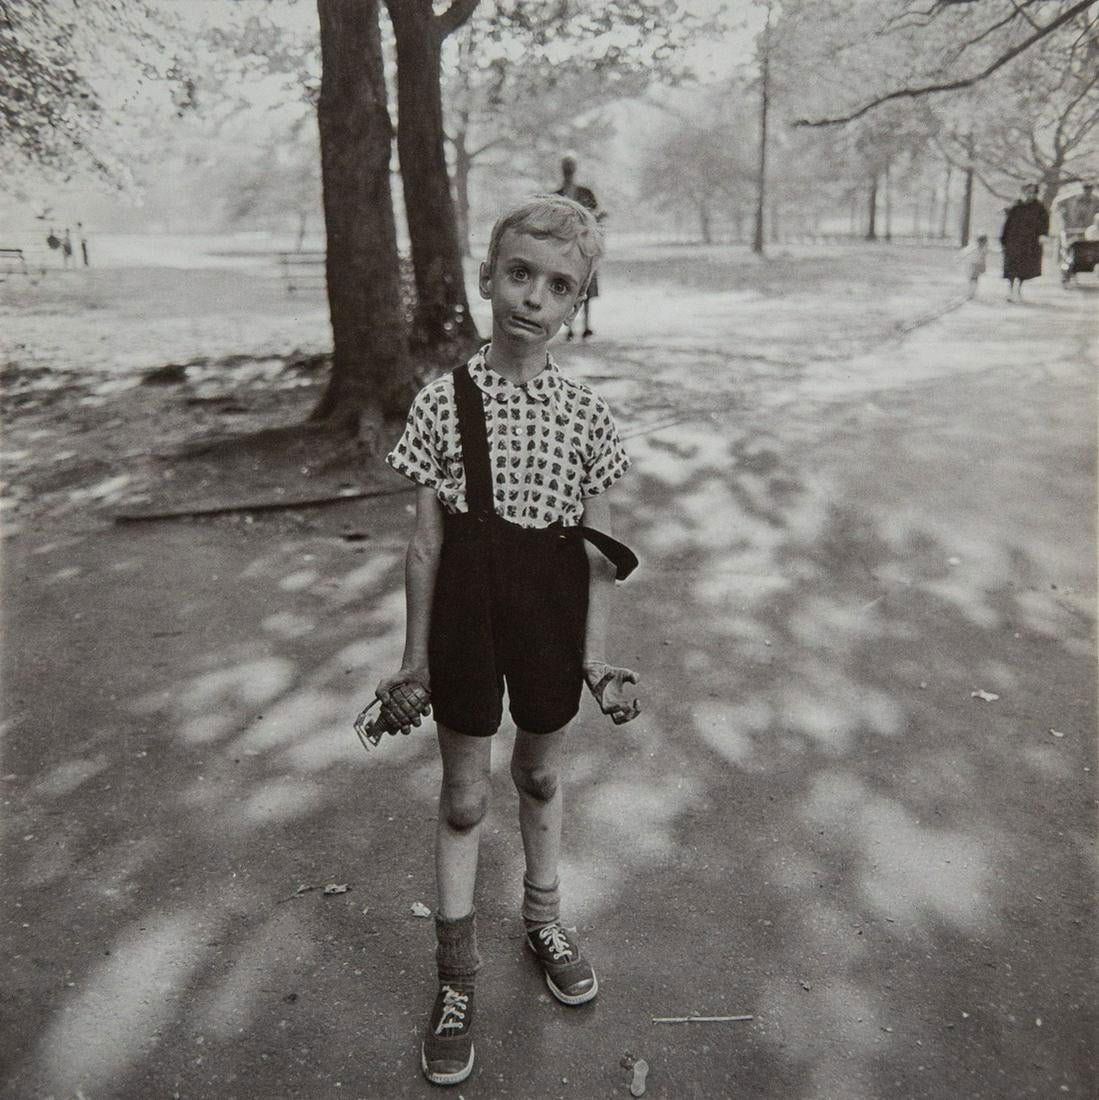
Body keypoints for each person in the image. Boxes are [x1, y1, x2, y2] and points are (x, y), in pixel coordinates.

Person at [378, 194, 641, 1087]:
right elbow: (424, 544)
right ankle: (455, 981)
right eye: (519, 274)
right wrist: (412, 659)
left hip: (549, 618)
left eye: (558, 285)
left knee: (537, 773)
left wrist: (595, 659)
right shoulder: (441, 402)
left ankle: (543, 917)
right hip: (463, 614)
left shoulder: (589, 419)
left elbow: (601, 557)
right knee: (462, 798)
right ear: (487, 277)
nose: (533, 297)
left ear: (578, 304)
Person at [554, 153, 605, 340]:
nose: (568, 172)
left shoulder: (585, 193)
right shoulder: (556, 195)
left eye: (570, 168)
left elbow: (597, 214)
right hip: (564, 250)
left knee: (586, 288)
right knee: (567, 288)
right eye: (566, 168)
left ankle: (586, 326)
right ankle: (569, 328)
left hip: (584, 247)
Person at [1000, 183, 1049, 302]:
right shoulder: (1016, 206)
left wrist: (1043, 235)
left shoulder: (1039, 207)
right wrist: (1003, 239)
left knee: (1024, 267)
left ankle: (1019, 290)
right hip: (1014, 240)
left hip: (1029, 242)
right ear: (1024, 191)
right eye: (1028, 191)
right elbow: (1008, 223)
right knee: (1011, 266)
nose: (1030, 194)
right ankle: (1010, 291)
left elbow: (1044, 223)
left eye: (1033, 192)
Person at [962, 234, 989, 299]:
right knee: (973, 279)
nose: (983, 243)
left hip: (977, 265)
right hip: (973, 265)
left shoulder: (983, 249)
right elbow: (966, 253)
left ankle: (972, 292)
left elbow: (983, 259)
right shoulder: (975, 248)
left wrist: (983, 267)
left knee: (974, 279)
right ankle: (971, 292)